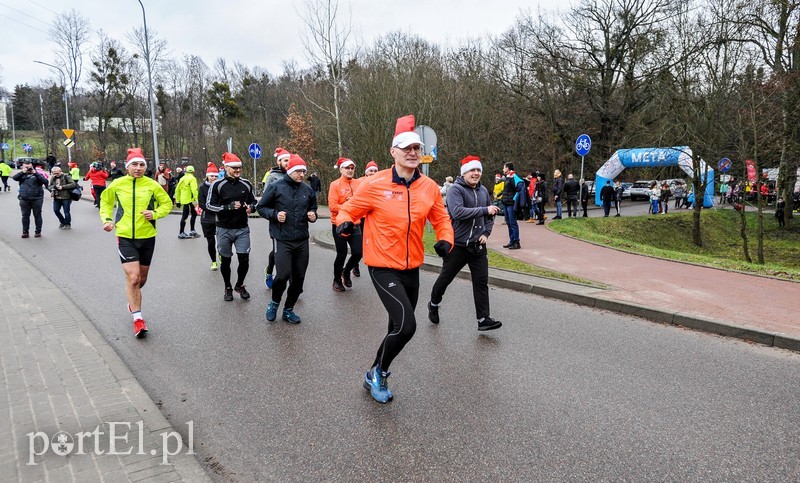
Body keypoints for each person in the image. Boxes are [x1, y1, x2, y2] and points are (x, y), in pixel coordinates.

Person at [335, 114, 454, 404]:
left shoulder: (429, 186)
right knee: (407, 326)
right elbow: (348, 209)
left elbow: (441, 219)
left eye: (416, 148)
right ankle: (381, 373)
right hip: (382, 266)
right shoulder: (374, 184)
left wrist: (446, 239)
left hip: (412, 267)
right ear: (393, 152)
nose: (413, 153)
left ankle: (372, 372)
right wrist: (344, 223)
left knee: (396, 327)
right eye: (407, 149)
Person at [100, 148, 172, 337]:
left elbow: (167, 204)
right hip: (125, 236)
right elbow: (105, 202)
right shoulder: (117, 184)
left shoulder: (152, 185)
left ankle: (132, 299)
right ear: (127, 167)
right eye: (134, 164)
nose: (138, 168)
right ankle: (138, 319)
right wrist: (107, 220)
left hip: (147, 236)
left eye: (141, 165)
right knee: (133, 277)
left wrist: (155, 214)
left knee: (141, 280)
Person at [428, 155, 502, 331]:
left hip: (478, 246)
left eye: (478, 170)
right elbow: (458, 212)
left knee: (481, 282)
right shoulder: (456, 190)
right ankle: (434, 303)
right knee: (445, 278)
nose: (476, 173)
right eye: (472, 170)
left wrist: (486, 232)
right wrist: (484, 210)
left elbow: (490, 215)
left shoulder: (483, 191)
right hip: (458, 245)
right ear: (464, 173)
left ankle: (483, 319)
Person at [257, 154, 318, 324]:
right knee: (283, 275)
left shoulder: (307, 190)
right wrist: (275, 215)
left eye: (304, 171)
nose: (302, 174)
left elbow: (313, 208)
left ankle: (288, 309)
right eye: (298, 171)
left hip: (301, 239)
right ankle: (274, 303)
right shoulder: (276, 187)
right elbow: (261, 207)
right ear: (290, 171)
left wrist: (313, 215)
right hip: (282, 238)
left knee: (299, 278)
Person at [206, 152, 257, 301]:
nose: (237, 170)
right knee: (226, 260)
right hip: (223, 229)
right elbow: (209, 205)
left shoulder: (246, 184)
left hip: (242, 228)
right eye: (234, 168)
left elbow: (253, 201)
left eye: (239, 168)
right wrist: (227, 207)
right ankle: (227, 287)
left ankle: (239, 285)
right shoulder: (217, 185)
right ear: (226, 168)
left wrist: (252, 207)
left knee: (244, 259)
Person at [328, 157, 363, 292]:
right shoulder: (335, 185)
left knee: (358, 252)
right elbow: (332, 206)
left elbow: (363, 202)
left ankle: (346, 271)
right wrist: (348, 205)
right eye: (347, 168)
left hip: (355, 224)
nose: (350, 170)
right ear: (341, 169)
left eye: (352, 168)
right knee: (341, 254)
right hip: (340, 224)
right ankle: (336, 280)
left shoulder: (359, 183)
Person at [262, 147, 291, 289]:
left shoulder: (295, 175)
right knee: (277, 251)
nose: (288, 163)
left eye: (290, 160)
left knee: (292, 251)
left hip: (292, 221)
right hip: (277, 220)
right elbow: (265, 200)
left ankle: (292, 282)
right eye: (285, 160)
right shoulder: (272, 177)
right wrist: (275, 213)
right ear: (279, 162)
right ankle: (269, 271)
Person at [12, 160, 49, 238]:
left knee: (37, 215)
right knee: (25, 216)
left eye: (29, 167)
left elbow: (45, 181)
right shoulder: (21, 175)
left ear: (32, 166)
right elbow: (14, 178)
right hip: (24, 198)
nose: (28, 169)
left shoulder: (37, 174)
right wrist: (22, 172)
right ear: (23, 167)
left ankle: (38, 231)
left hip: (37, 198)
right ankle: (25, 232)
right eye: (26, 167)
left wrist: (35, 173)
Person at [197, 163, 220, 270]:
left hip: (220, 218)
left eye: (216, 176)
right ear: (207, 176)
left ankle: (222, 255)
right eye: (212, 176)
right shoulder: (202, 188)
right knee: (211, 242)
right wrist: (212, 209)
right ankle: (214, 261)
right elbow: (201, 203)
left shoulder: (220, 186)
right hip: (207, 219)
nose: (214, 178)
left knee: (221, 241)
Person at [501, 162, 524, 247]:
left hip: (511, 203)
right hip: (506, 203)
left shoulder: (514, 177)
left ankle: (516, 242)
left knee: (513, 222)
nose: (503, 169)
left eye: (504, 167)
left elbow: (519, 188)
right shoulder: (507, 177)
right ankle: (511, 240)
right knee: (508, 222)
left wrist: (515, 200)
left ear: (507, 168)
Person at [175, 165, 200, 239]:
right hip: (189, 200)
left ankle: (192, 231)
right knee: (186, 216)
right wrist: (198, 200)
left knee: (193, 214)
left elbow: (177, 189)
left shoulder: (182, 178)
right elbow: (194, 190)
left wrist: (178, 200)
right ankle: (182, 232)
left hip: (184, 199)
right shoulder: (192, 178)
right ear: (193, 171)